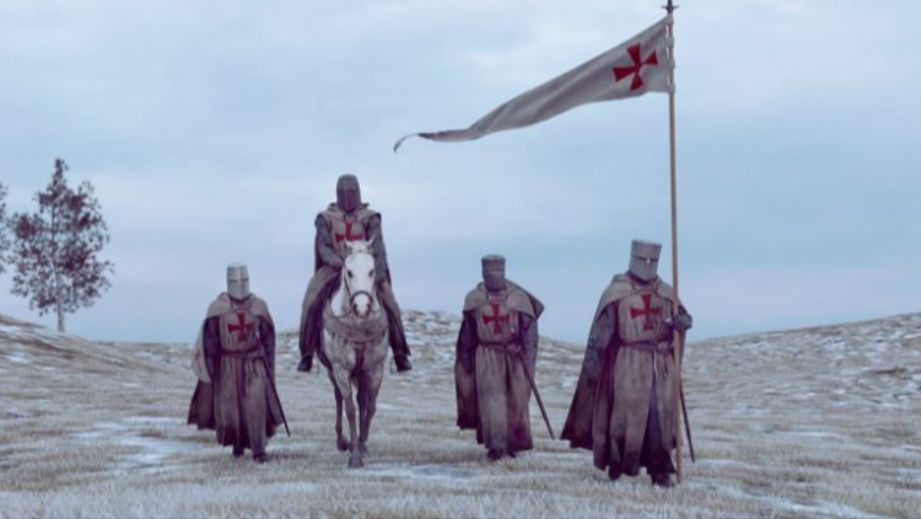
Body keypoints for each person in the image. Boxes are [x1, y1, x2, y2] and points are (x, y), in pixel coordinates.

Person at [561, 240, 692, 487]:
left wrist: (682, 323)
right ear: (633, 258)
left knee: (659, 416)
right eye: (643, 260)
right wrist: (597, 365)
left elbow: (682, 320)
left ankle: (660, 470)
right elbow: (601, 335)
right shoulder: (616, 293)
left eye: (652, 260)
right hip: (627, 362)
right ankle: (617, 463)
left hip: (660, 365)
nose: (647, 264)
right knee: (624, 414)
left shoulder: (667, 293)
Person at [298, 174, 412, 373]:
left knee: (390, 302)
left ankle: (400, 353)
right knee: (311, 299)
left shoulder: (370, 218)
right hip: (334, 268)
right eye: (343, 193)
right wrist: (340, 264)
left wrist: (379, 273)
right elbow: (323, 246)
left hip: (364, 270)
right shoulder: (326, 218)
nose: (347, 196)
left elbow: (378, 247)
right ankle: (307, 353)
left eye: (351, 192)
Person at [188, 264, 284, 463]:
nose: (239, 284)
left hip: (254, 363)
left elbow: (268, 338)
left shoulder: (258, 307)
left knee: (256, 405)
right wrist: (211, 370)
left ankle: (259, 450)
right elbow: (210, 341)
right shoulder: (218, 309)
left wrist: (268, 364)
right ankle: (237, 444)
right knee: (232, 408)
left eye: (242, 280)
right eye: (235, 280)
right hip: (228, 364)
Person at [455, 255, 544, 460]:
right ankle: (496, 446)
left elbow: (529, 331)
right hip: (487, 356)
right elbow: (467, 333)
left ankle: (513, 444)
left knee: (516, 400)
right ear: (483, 273)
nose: (493, 275)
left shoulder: (518, 298)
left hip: (514, 356)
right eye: (489, 271)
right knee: (492, 401)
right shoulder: (475, 299)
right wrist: (466, 359)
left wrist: (528, 357)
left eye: (497, 271)